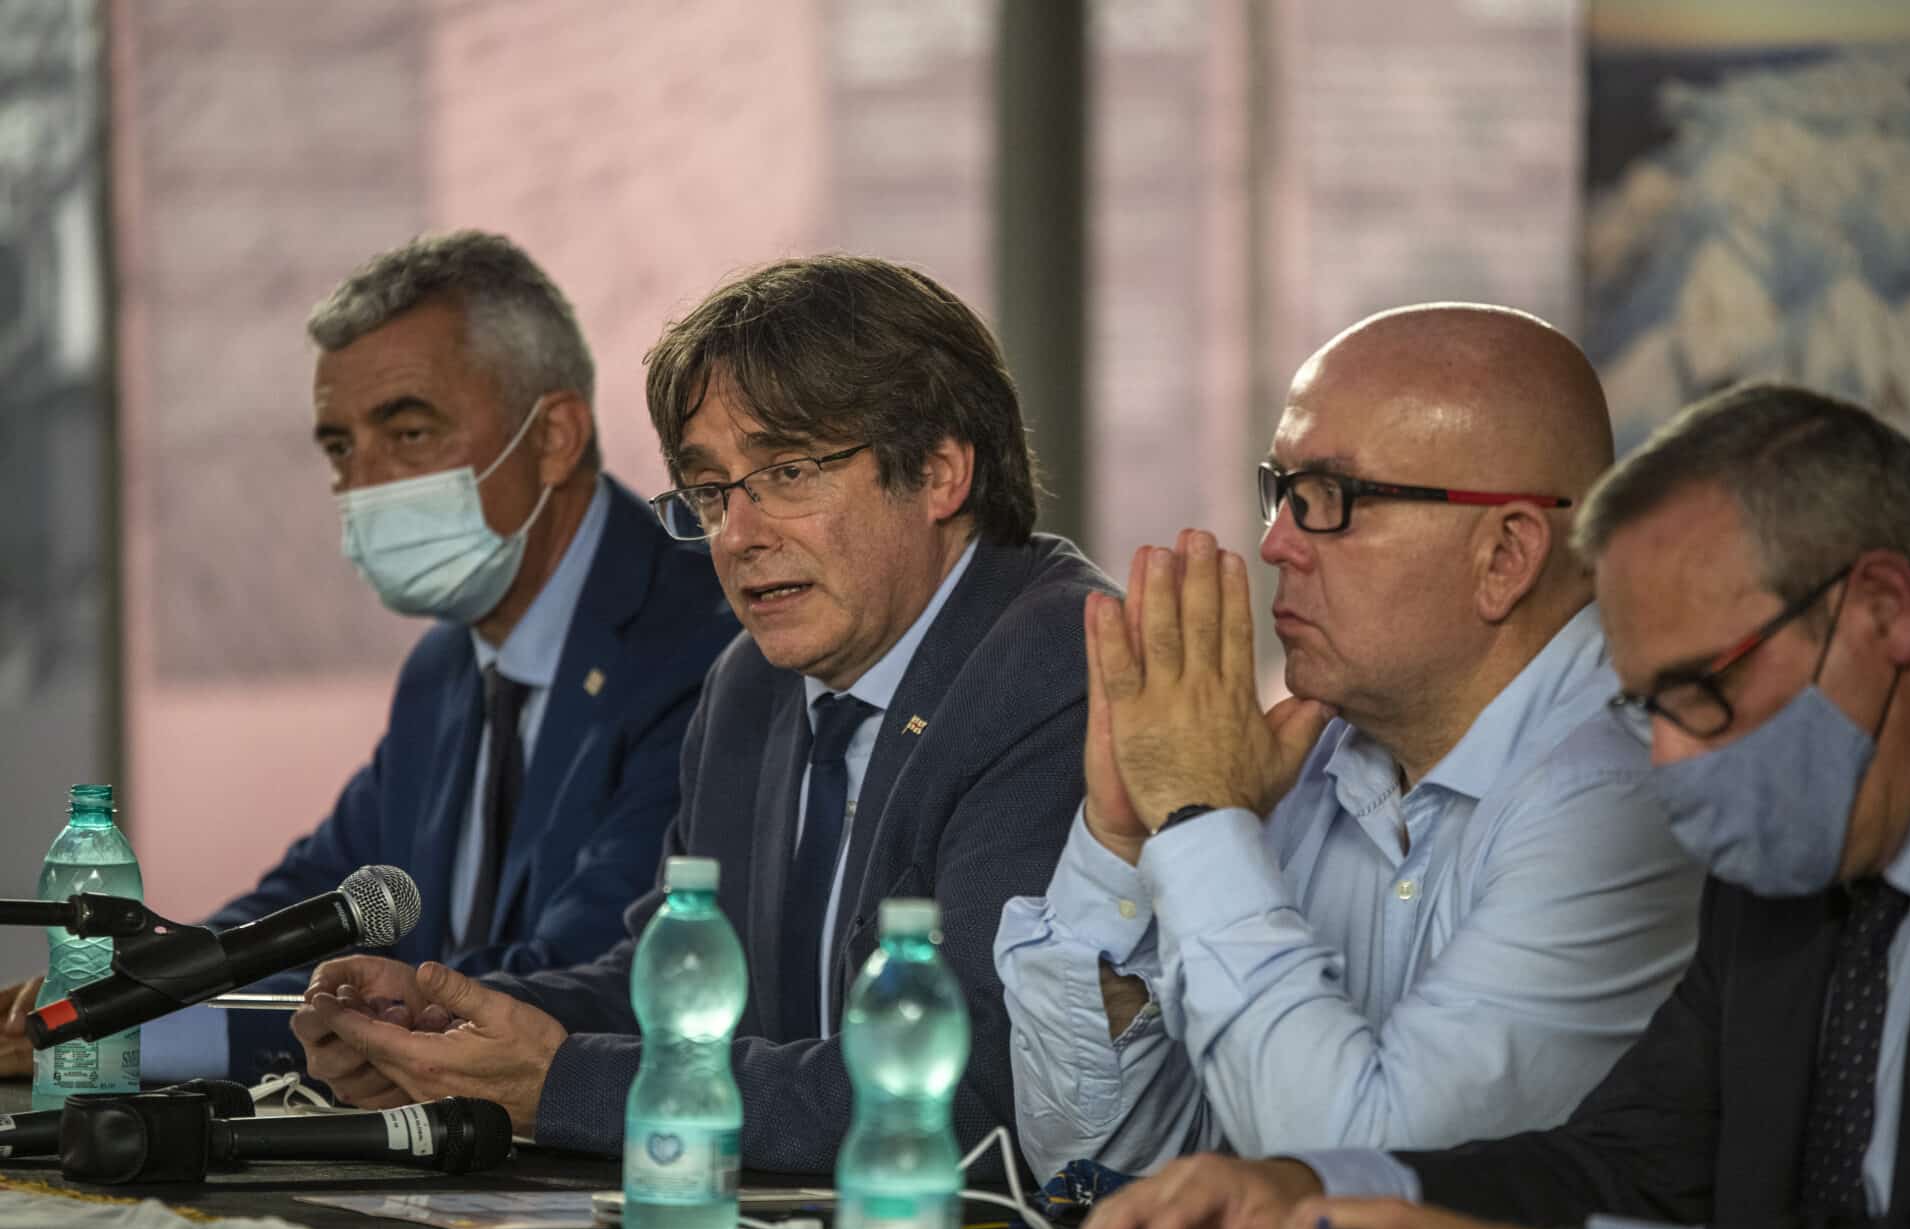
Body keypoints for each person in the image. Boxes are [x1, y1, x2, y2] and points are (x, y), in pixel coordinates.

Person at [1061, 383, 1910, 1229]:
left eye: (1699, 690)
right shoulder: (1799, 835)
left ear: (1882, 608)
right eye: (1642, 705)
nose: (1666, 757)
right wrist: (1319, 1194)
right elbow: (1635, 1166)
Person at [288, 254, 1116, 1171]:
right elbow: (672, 988)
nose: (738, 534)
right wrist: (444, 1025)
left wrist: (561, 1082)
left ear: (940, 471)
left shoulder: (1054, 666)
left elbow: (963, 1093)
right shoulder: (750, 683)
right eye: (711, 490)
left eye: (789, 471)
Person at [0, 230, 736, 1084]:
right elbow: (310, 906)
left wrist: (140, 1041)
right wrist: (116, 996)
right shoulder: (445, 668)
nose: (367, 482)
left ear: (556, 436)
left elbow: (580, 978)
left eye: (409, 430)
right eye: (341, 448)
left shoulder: (706, 642)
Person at [995, 304, 1700, 1180]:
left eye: (1334, 499)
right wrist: (1124, 840)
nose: (1276, 541)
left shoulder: (1624, 793)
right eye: (1281, 489)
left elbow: (1364, 1176)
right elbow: (1099, 1159)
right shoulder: (1316, 757)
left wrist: (1204, 818)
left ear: (1506, 555)